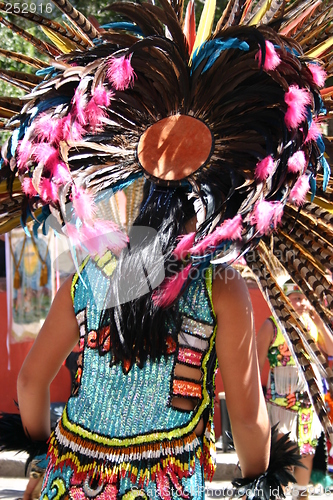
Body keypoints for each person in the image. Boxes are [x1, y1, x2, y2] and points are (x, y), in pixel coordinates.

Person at [0, 0, 330, 497]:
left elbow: (30, 383)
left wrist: (44, 462)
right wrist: (259, 480)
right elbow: (246, 416)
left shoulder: (87, 279)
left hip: (70, 485)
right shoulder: (222, 288)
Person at [256, 281, 333, 498]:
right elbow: (255, 364)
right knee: (284, 458)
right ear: (283, 298)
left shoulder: (312, 325)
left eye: (304, 298)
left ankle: (301, 495)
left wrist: (317, 319)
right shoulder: (272, 326)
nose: (301, 303)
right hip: (282, 408)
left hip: (309, 407)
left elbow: (331, 350)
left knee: (306, 456)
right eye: (296, 297)